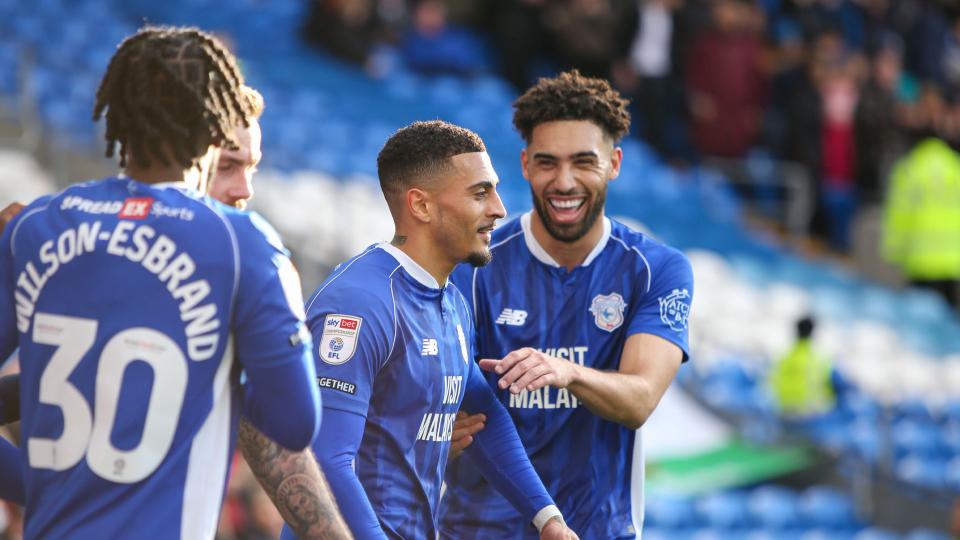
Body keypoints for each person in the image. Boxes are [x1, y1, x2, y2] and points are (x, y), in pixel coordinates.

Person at [0, 26, 323, 539]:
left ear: (117, 112)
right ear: (215, 126)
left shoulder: (35, 225)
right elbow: (296, 422)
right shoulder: (245, 245)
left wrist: (35, 485)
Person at [281, 120, 578, 539]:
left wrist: (547, 518)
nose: (498, 208)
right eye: (480, 193)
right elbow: (326, 459)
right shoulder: (359, 303)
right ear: (420, 206)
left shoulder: (451, 301)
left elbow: (484, 412)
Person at [439, 70, 694, 539]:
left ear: (614, 163)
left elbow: (640, 399)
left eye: (583, 162)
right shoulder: (472, 264)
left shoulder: (656, 269)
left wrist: (567, 372)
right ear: (523, 165)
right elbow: (433, 401)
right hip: (475, 531)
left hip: (597, 530)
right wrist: (437, 431)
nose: (564, 181)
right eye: (547, 162)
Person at [769, 316, 836, 418]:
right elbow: (829, 391)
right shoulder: (820, 359)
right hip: (811, 414)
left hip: (785, 411)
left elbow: (772, 385)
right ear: (813, 333)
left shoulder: (784, 357)